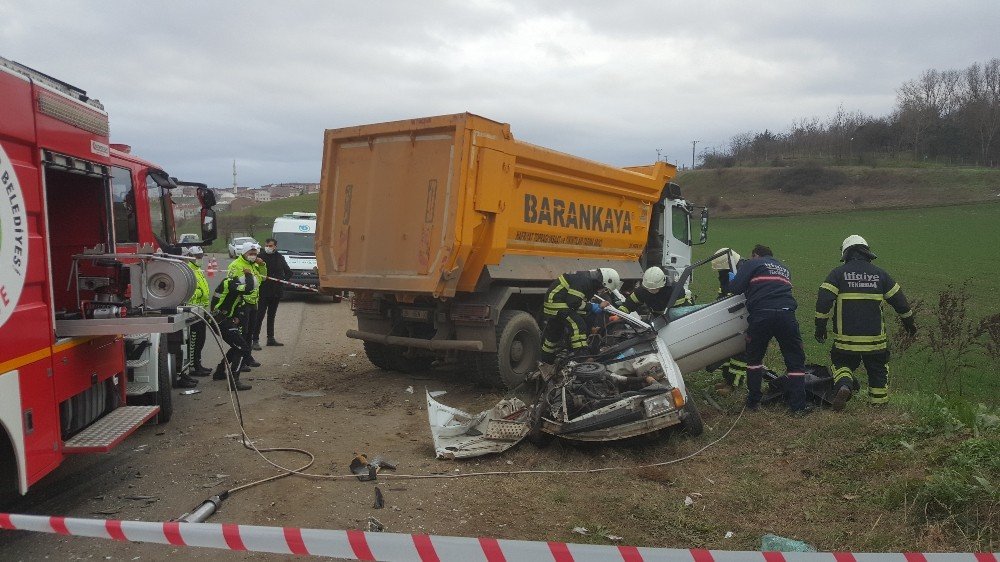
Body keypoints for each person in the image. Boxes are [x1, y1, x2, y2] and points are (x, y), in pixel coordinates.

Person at [815, 235, 916, 410]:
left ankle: (845, 386)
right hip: (875, 341)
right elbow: (900, 301)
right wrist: (909, 323)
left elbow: (824, 301)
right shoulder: (880, 274)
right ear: (867, 252)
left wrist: (820, 326)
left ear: (846, 253)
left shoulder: (837, 274)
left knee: (842, 365)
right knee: (878, 371)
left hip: (846, 341)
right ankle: (878, 408)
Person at [727, 244, 810, 415]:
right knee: (795, 361)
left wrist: (733, 278)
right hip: (787, 315)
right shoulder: (784, 268)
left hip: (762, 315)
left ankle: (753, 403)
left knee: (754, 359)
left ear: (756, 255)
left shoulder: (753, 263)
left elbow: (735, 288)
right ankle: (798, 407)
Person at [538, 268, 623, 374]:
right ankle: (582, 357)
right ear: (603, 281)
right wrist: (593, 307)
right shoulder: (584, 281)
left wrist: (590, 312)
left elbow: (578, 303)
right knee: (578, 324)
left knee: (553, 335)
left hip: (555, 303)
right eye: (604, 287)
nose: (602, 290)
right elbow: (573, 302)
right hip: (557, 304)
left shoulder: (587, 280)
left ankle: (546, 360)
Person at [712, 248, 749, 394]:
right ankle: (727, 380)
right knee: (727, 351)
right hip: (730, 317)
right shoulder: (728, 271)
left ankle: (734, 386)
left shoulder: (743, 270)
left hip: (742, 317)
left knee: (740, 354)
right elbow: (723, 293)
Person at [210, 272, 255, 391]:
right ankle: (234, 380)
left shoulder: (234, 284)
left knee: (237, 347)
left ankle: (220, 372)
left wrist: (236, 315)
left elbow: (234, 301)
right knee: (243, 348)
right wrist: (249, 275)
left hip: (223, 319)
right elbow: (248, 288)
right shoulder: (230, 283)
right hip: (219, 320)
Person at [227, 244, 266, 361]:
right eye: (250, 253)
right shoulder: (236, 265)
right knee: (242, 334)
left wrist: (263, 265)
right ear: (244, 253)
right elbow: (231, 285)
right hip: (242, 303)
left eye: (255, 254)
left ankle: (247, 357)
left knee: (250, 332)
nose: (253, 256)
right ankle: (239, 360)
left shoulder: (254, 265)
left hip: (253, 301)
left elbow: (263, 278)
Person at [255, 238, 293, 347]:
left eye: (270, 246)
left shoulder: (279, 257)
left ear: (275, 246)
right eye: (266, 245)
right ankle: (255, 339)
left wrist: (282, 282)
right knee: (259, 315)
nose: (268, 247)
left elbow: (289, 272)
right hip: (263, 291)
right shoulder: (260, 257)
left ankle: (270, 338)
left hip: (276, 292)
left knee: (271, 316)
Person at [183, 246, 212, 381]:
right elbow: (189, 291)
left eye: (201, 256)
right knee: (194, 340)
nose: (199, 258)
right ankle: (194, 366)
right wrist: (200, 293)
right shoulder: (188, 270)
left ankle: (198, 364)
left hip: (201, 310)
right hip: (192, 311)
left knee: (201, 340)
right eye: (197, 256)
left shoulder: (198, 269)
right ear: (190, 256)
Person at [617, 266, 688, 316]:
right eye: (649, 289)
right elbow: (629, 304)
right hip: (657, 319)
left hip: (679, 318)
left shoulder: (676, 291)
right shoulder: (642, 291)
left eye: (655, 289)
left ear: (662, 284)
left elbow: (679, 313)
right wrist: (619, 314)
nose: (651, 291)